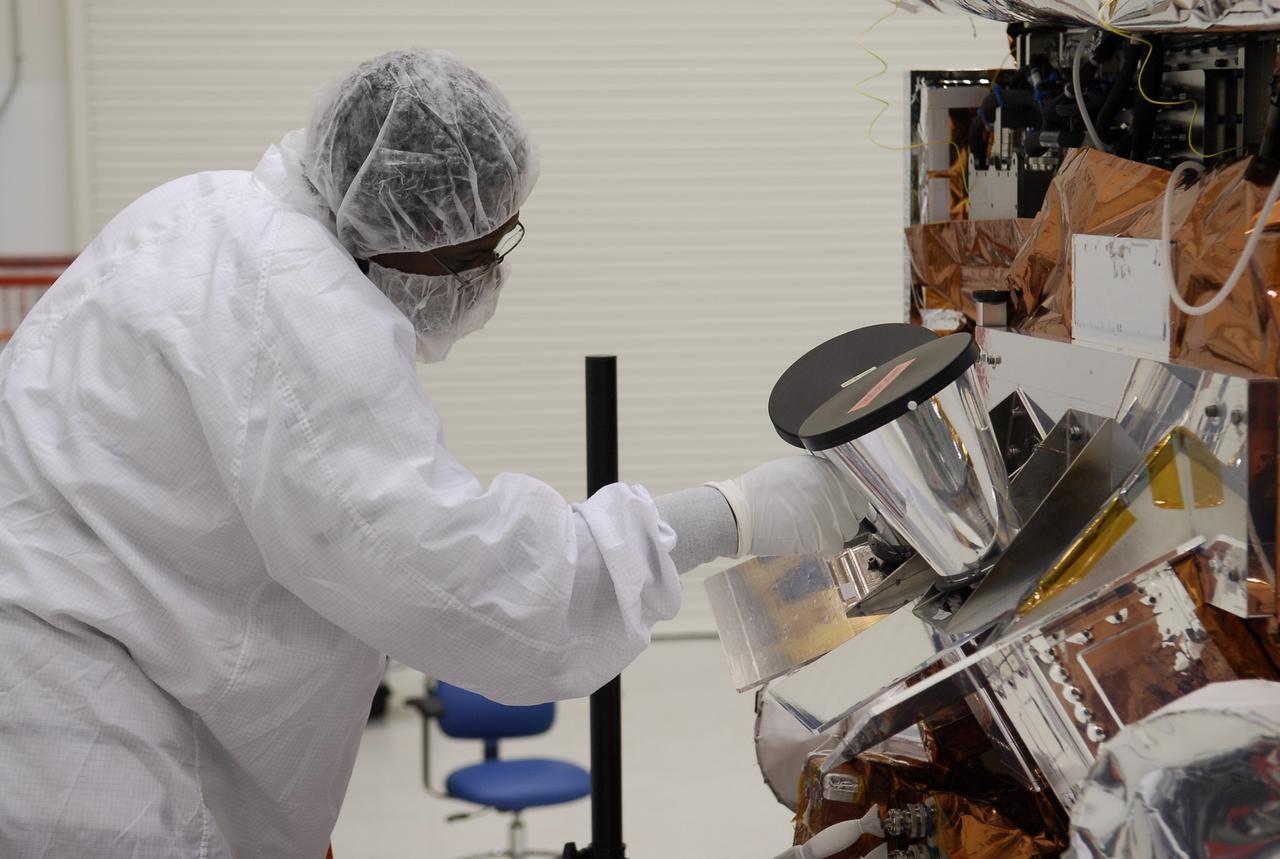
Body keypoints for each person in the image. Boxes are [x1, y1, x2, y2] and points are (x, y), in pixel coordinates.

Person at [0, 49, 864, 858]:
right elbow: (470, 585)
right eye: (479, 252)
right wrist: (738, 511)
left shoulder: (206, 212)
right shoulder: (302, 314)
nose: (488, 279)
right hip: (74, 740)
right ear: (404, 228)